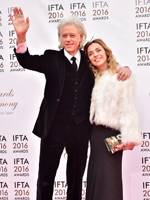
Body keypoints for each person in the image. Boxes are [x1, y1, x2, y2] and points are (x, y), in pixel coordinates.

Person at [9, 7, 131, 200]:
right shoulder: (51, 58)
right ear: (60, 37)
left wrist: (126, 68)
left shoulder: (90, 63)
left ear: (80, 36)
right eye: (64, 35)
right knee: (45, 181)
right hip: (53, 130)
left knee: (75, 182)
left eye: (72, 35)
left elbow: (108, 69)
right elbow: (26, 60)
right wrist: (21, 37)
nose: (68, 39)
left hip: (80, 130)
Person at [84, 39, 141, 200]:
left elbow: (127, 107)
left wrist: (129, 136)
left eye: (98, 50)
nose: (95, 55)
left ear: (106, 52)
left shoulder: (121, 75)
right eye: (91, 54)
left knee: (110, 179)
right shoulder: (91, 79)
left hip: (111, 136)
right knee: (95, 177)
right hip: (95, 135)